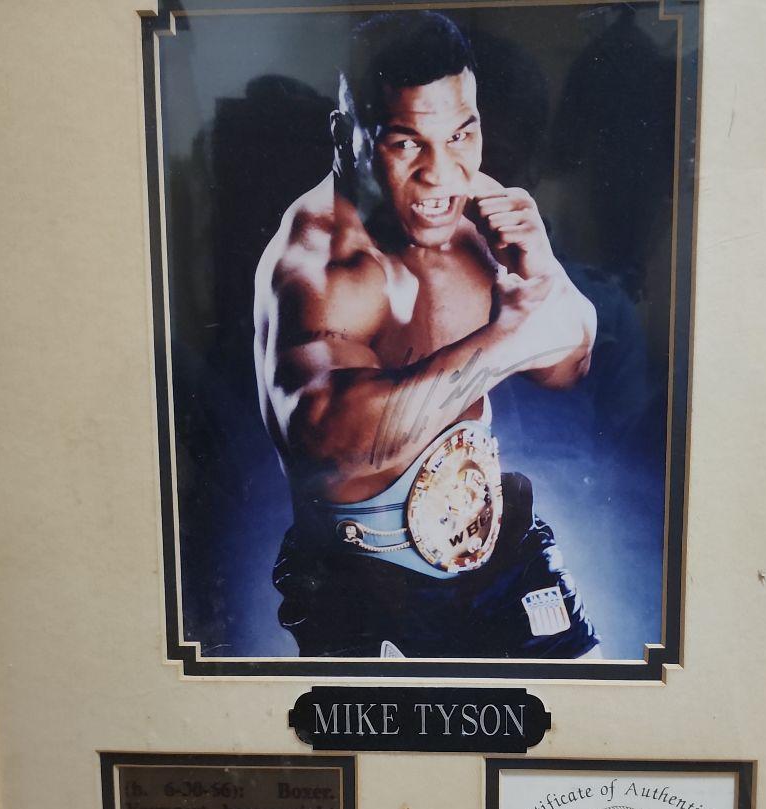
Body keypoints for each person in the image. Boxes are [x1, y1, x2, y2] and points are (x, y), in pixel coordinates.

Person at [253, 11, 601, 659]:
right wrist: (510, 338)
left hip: (494, 548)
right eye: (406, 143)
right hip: (360, 578)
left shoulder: (476, 208)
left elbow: (567, 363)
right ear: (346, 135)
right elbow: (330, 442)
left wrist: (542, 271)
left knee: (596, 709)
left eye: (461, 134)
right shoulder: (320, 262)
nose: (442, 175)